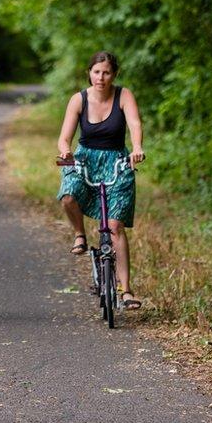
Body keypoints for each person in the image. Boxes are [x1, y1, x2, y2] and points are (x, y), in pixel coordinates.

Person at [56, 50, 144, 309]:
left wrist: (137, 147)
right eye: (96, 72)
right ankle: (80, 235)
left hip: (117, 160)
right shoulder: (78, 99)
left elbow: (135, 124)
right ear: (89, 73)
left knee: (115, 227)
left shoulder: (124, 95)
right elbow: (64, 137)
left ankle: (125, 290)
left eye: (106, 72)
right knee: (68, 196)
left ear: (114, 74)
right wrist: (65, 151)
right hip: (84, 159)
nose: (101, 78)